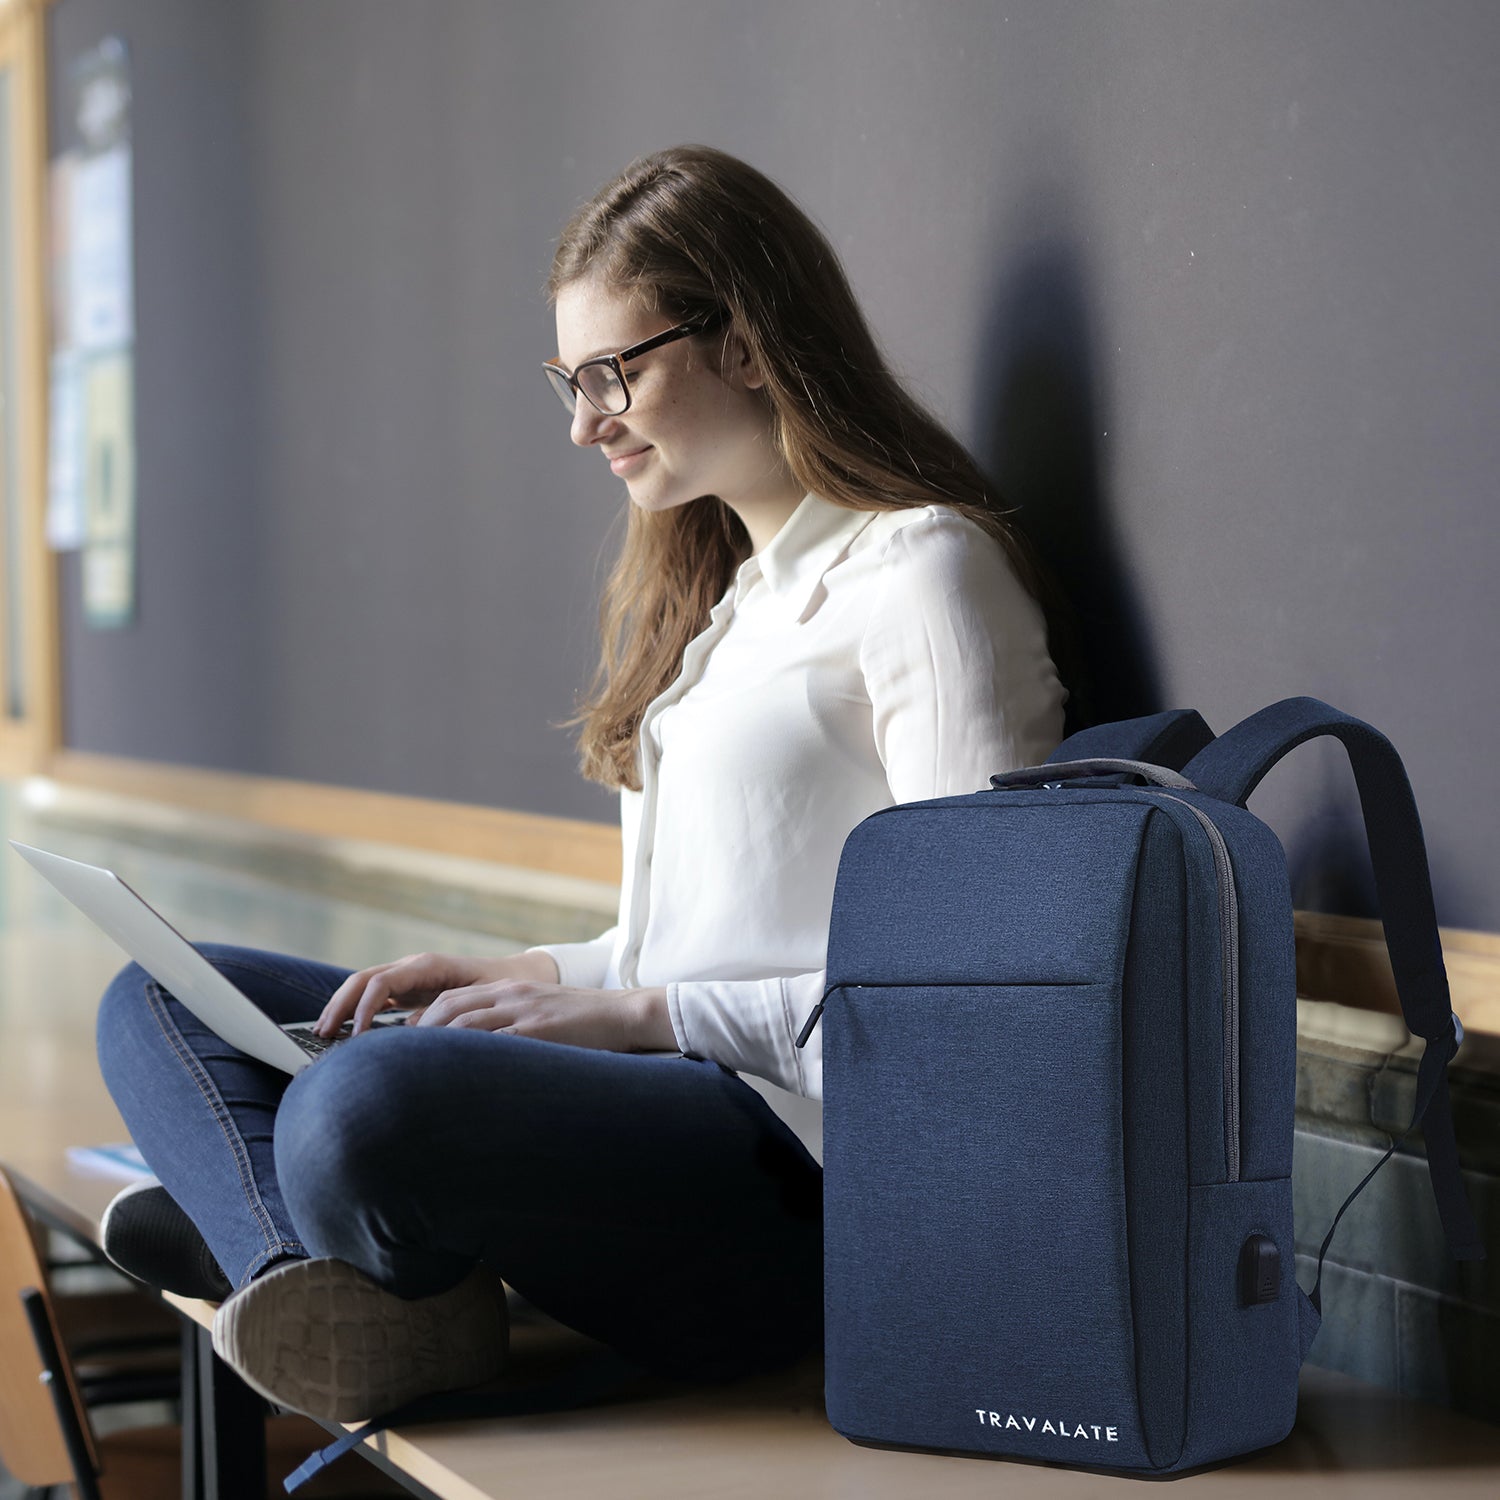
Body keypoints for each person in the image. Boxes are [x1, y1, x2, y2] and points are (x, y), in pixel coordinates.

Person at [94, 144, 1069, 1424]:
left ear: (751, 343)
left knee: (361, 1104)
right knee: (154, 995)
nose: (582, 420)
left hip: (808, 1182)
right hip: (670, 1094)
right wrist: (532, 978)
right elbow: (682, 944)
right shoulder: (730, 605)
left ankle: (299, 1236)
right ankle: (314, 1280)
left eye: (614, 372)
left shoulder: (923, 579)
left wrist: (639, 1020)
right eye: (570, 378)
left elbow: (978, 1010)